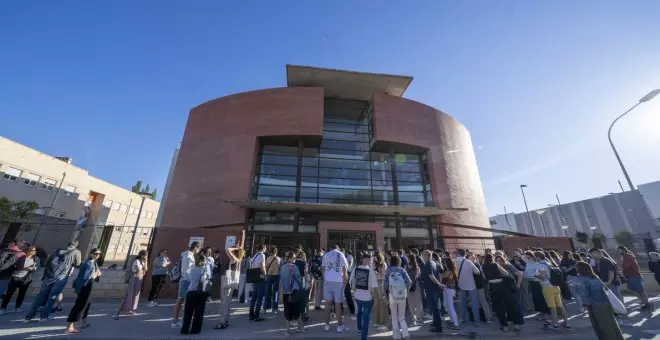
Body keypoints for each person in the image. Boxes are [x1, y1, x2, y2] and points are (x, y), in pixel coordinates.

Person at [24, 241, 81, 322]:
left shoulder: (58, 250)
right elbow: (78, 264)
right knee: (52, 297)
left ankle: (28, 317)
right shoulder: (76, 252)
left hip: (49, 276)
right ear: (76, 246)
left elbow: (48, 261)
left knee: (40, 296)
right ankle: (44, 316)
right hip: (62, 277)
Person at [576, 262, 625, 340]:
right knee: (612, 323)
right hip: (606, 302)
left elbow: (585, 295)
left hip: (595, 305)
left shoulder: (583, 280)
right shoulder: (595, 277)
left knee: (603, 326)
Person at [65, 248, 102, 333]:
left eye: (99, 254)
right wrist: (97, 273)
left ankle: (83, 322)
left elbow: (97, 273)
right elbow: (92, 276)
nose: (98, 255)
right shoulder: (89, 263)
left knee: (87, 304)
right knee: (80, 305)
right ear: (91, 254)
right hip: (85, 286)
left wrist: (97, 273)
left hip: (89, 286)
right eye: (96, 253)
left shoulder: (94, 262)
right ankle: (70, 326)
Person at [482, 254, 521, 333]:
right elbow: (506, 273)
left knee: (499, 307)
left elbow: (485, 278)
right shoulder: (495, 264)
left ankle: (504, 326)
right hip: (501, 285)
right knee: (509, 304)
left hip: (493, 287)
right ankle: (516, 324)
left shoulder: (483, 266)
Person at [535, 252, 571, 330]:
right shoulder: (549, 262)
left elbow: (543, 277)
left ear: (538, 257)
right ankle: (567, 322)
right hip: (556, 286)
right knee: (560, 306)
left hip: (547, 287)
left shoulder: (540, 265)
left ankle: (554, 324)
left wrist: (535, 275)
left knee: (552, 307)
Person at [214, 245, 244, 330]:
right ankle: (225, 321)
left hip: (227, 282)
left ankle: (222, 322)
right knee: (227, 302)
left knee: (224, 303)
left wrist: (236, 248)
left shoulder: (234, 259)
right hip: (231, 282)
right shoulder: (238, 260)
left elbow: (227, 250)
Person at [171, 241, 201, 328]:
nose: (198, 251)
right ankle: (176, 321)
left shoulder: (187, 255)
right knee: (181, 300)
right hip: (186, 281)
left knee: (181, 301)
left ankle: (178, 321)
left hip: (185, 280)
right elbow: (186, 271)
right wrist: (192, 281)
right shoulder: (188, 256)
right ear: (195, 247)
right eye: (198, 249)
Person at [1, 244, 37, 315]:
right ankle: (3, 308)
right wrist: (26, 268)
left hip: (26, 279)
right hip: (16, 277)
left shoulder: (34, 259)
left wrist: (33, 269)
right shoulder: (21, 257)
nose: (32, 252)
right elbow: (16, 266)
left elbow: (35, 268)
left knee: (22, 294)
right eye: (31, 250)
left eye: (34, 250)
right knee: (9, 294)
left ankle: (17, 308)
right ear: (28, 250)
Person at [383, 254, 412, 340]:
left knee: (394, 317)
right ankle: (406, 335)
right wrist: (405, 290)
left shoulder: (388, 271)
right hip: (402, 296)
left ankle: (396, 336)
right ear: (399, 262)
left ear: (390, 262)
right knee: (402, 317)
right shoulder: (402, 270)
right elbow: (409, 282)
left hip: (392, 296)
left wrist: (386, 295)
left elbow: (385, 285)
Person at [350, 253, 378, 340]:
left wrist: (354, 291)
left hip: (357, 296)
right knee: (366, 317)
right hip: (367, 297)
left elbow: (350, 282)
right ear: (368, 260)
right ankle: (364, 337)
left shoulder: (356, 269)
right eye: (371, 260)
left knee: (359, 312)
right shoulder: (370, 271)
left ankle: (359, 329)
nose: (372, 261)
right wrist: (374, 297)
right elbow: (374, 287)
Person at [322, 245, 349, 333]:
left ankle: (326, 325)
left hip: (327, 280)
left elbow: (323, 268)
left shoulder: (326, 255)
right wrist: (345, 278)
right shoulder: (340, 254)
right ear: (337, 248)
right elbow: (345, 267)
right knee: (338, 304)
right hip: (338, 281)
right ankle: (339, 326)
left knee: (327, 303)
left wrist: (325, 277)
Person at [181, 253, 210, 335]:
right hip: (200, 293)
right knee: (199, 313)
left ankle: (184, 329)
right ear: (204, 261)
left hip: (190, 291)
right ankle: (195, 330)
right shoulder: (204, 269)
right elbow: (204, 280)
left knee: (188, 313)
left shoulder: (191, 269)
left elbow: (188, 278)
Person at [113, 250, 148, 319]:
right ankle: (126, 309)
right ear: (141, 255)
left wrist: (146, 262)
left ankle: (129, 308)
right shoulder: (137, 261)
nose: (146, 256)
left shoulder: (143, 262)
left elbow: (145, 269)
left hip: (139, 278)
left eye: (147, 255)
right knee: (130, 293)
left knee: (135, 294)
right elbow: (138, 271)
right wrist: (142, 270)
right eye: (145, 255)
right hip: (134, 278)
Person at [617, 246, 651, 311]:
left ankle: (647, 304)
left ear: (624, 250)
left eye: (620, 250)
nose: (619, 252)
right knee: (630, 289)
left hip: (634, 275)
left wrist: (620, 264)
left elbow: (626, 266)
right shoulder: (624, 257)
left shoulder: (629, 256)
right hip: (629, 276)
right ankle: (643, 301)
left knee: (641, 290)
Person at [454, 249, 483, 326]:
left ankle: (463, 319)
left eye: (455, 253)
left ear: (458, 253)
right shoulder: (469, 262)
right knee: (474, 303)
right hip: (471, 284)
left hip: (461, 284)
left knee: (462, 302)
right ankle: (477, 321)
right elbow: (477, 272)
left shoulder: (454, 261)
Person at [280, 251, 304, 336]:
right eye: (294, 258)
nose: (295, 259)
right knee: (297, 311)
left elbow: (281, 280)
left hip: (286, 292)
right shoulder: (295, 267)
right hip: (294, 292)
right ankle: (301, 328)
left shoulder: (283, 267)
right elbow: (299, 279)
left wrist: (281, 292)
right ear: (290, 258)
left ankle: (287, 330)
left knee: (287, 311)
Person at [421, 250, 443, 333]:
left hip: (431, 289)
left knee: (435, 309)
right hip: (435, 289)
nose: (422, 257)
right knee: (435, 307)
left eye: (423, 255)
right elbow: (438, 275)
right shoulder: (434, 263)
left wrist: (439, 284)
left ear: (427, 256)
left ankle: (438, 327)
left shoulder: (428, 264)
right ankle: (435, 323)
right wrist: (439, 284)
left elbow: (431, 276)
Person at [248, 244, 267, 322]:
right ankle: (257, 316)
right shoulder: (262, 255)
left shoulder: (255, 255)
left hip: (254, 277)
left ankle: (251, 314)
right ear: (263, 248)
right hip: (260, 277)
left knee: (254, 297)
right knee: (259, 297)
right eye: (265, 248)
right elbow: (262, 266)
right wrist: (265, 275)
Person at [371, 252, 388, 332]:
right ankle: (377, 321)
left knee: (382, 304)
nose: (374, 259)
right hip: (374, 284)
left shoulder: (383, 264)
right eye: (374, 257)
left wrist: (377, 274)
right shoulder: (374, 264)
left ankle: (383, 323)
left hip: (381, 283)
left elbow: (384, 276)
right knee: (376, 303)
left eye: (376, 257)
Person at [441, 257, 460, 329]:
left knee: (450, 307)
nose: (443, 264)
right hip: (450, 290)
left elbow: (441, 280)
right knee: (447, 305)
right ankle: (453, 322)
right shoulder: (453, 270)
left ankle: (456, 324)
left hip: (448, 290)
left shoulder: (447, 272)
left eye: (444, 262)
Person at [405, 253, 422, 326]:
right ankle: (419, 318)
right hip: (416, 285)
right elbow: (418, 276)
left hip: (408, 286)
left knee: (411, 303)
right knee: (418, 302)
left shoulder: (406, 267)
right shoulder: (417, 267)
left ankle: (413, 319)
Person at [263, 246, 281, 314]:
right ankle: (275, 308)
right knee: (275, 292)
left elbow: (266, 266)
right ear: (276, 252)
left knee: (268, 292)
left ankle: (266, 307)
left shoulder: (268, 258)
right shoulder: (278, 259)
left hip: (269, 275)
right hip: (276, 276)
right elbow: (280, 268)